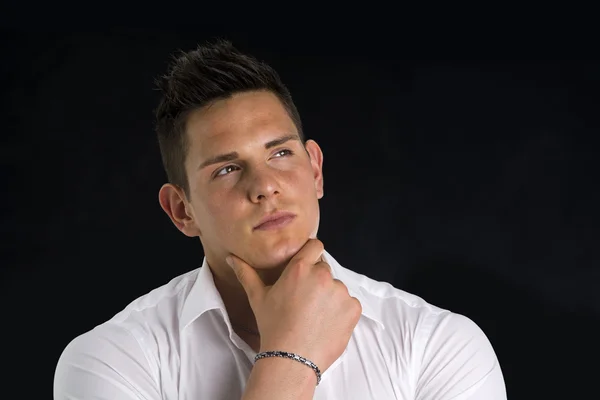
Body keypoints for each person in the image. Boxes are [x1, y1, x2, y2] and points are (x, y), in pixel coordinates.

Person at [53, 39, 507, 400]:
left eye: (280, 153)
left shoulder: (439, 346)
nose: (265, 186)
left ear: (315, 170)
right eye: (227, 169)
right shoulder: (110, 361)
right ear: (181, 210)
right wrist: (290, 359)